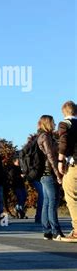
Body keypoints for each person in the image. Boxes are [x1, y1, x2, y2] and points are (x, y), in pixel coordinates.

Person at [36, 115, 64, 240]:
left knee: (47, 202)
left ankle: (46, 230)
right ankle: (55, 231)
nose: (54, 124)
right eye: (52, 122)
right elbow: (50, 156)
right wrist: (58, 174)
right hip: (49, 173)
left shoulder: (41, 136)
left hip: (43, 174)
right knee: (53, 202)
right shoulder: (46, 137)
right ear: (47, 123)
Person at [57, 101, 77, 242]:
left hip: (74, 164)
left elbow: (63, 141)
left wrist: (60, 161)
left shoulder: (65, 124)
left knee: (71, 196)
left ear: (64, 112)